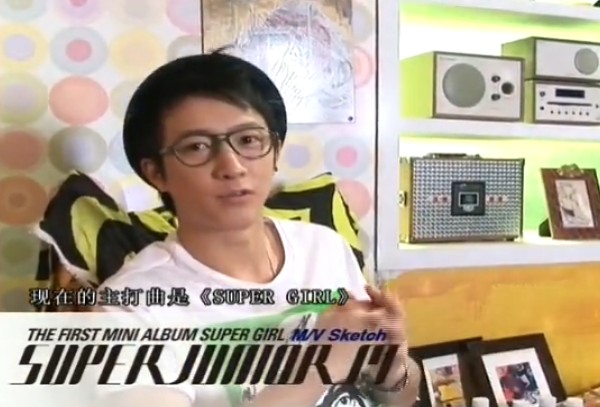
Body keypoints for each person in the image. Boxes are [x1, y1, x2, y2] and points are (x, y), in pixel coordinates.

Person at [94, 50, 420, 407]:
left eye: (249, 140)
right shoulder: (129, 308)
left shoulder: (324, 247)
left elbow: (402, 398)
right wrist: (324, 364)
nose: (232, 166)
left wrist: (392, 364)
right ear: (156, 173)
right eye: (197, 147)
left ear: (275, 151)